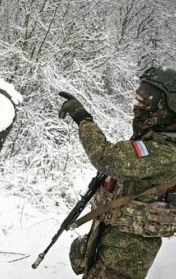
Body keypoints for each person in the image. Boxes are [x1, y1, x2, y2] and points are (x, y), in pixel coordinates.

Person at [58, 66, 176, 279]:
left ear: (168, 105)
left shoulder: (166, 150)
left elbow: (107, 158)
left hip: (127, 255)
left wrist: (82, 118)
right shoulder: (154, 138)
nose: (136, 107)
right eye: (137, 100)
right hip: (114, 238)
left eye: (144, 102)